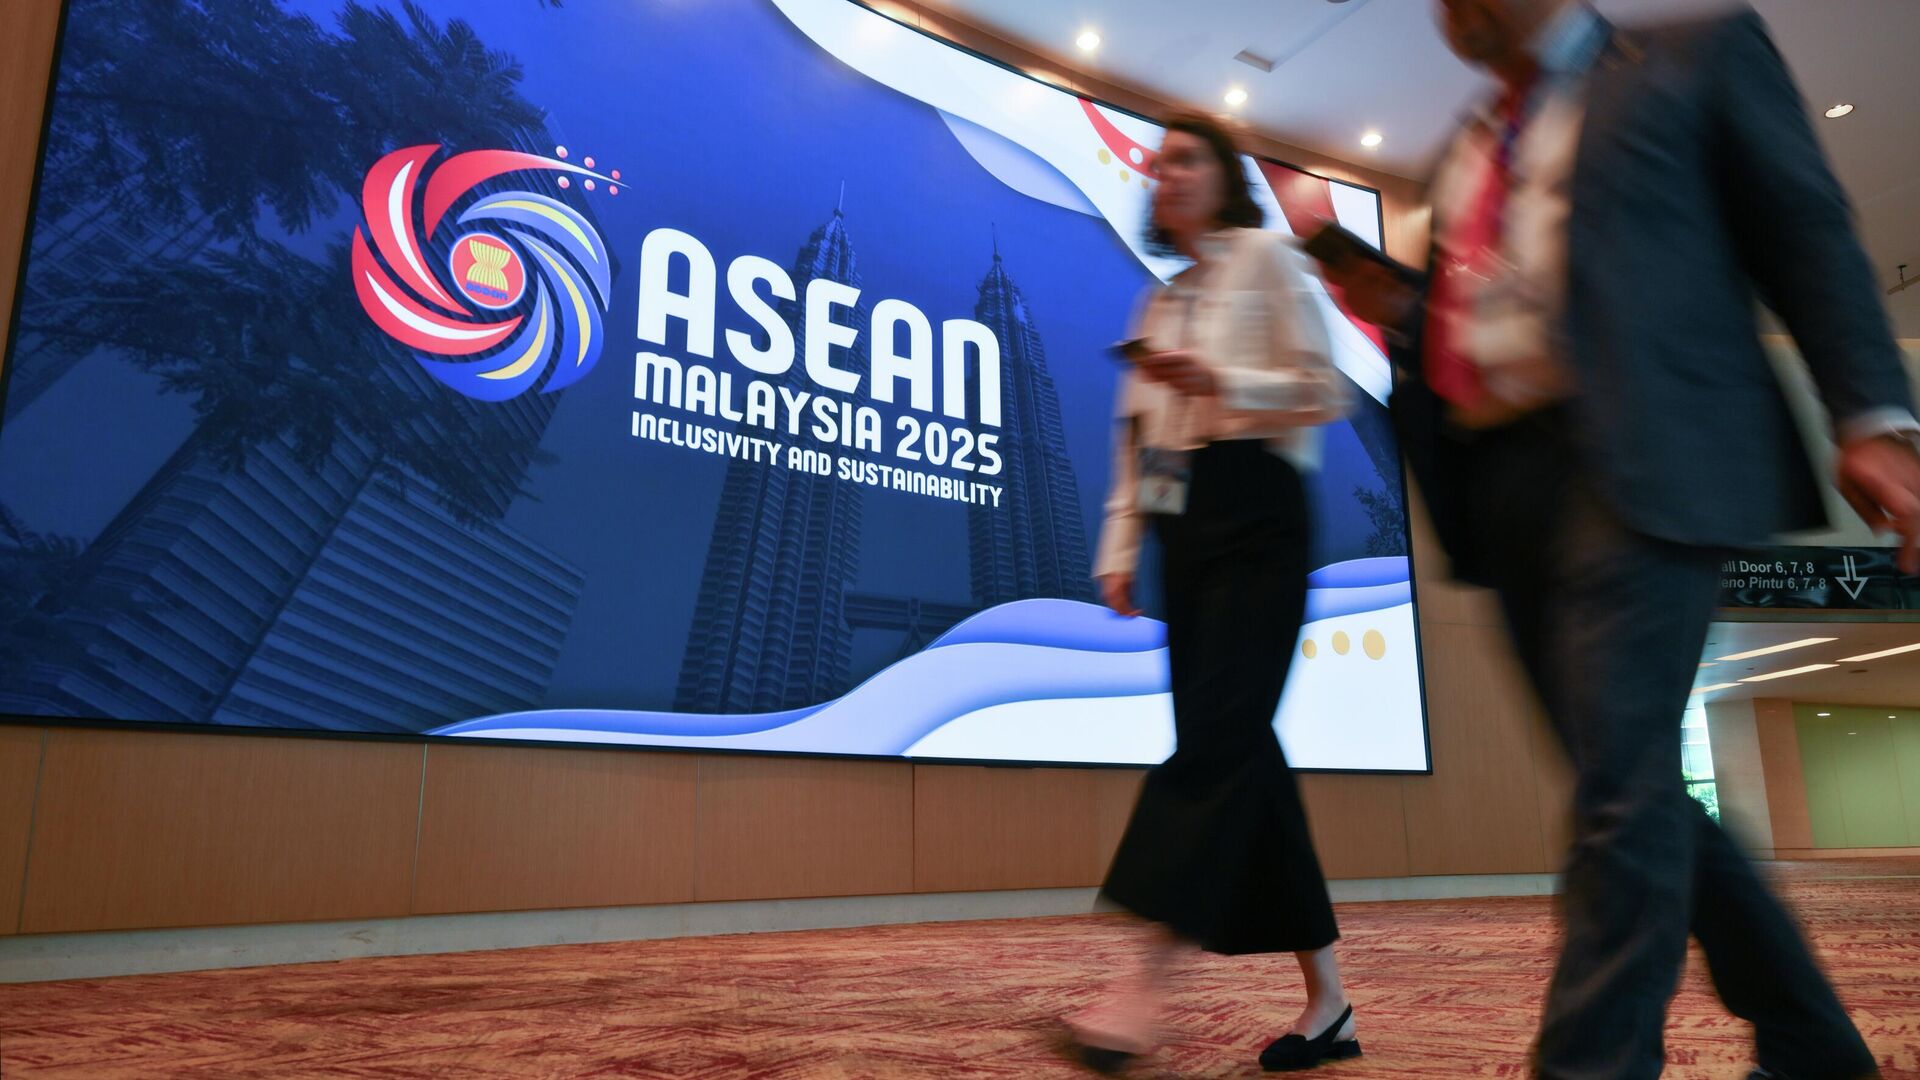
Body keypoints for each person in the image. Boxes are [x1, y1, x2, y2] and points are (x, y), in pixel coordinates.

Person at [1315, 2, 1920, 1078]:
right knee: (1633, 788)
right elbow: (1505, 307)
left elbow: (1806, 227)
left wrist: (1870, 415)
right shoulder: (1464, 146)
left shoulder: (1693, 56)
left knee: (1620, 798)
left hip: (1645, 456)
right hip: (1504, 487)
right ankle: (1815, 1048)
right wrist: (1400, 310)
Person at [1064, 111, 1358, 1075]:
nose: (1168, 173)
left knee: (1218, 739)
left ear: (1226, 177)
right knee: (1241, 752)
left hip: (1260, 511)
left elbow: (1325, 389)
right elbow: (1136, 447)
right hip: (1183, 530)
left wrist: (1219, 378)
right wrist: (1122, 546)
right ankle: (1330, 1004)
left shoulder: (1267, 259)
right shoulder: (1155, 305)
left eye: (1188, 159)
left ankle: (1143, 989)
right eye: (1159, 164)